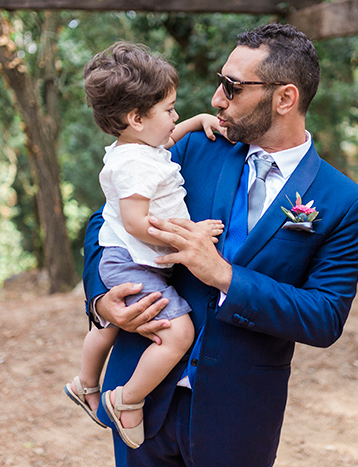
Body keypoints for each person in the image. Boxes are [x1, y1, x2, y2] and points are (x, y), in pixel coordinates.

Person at [81, 23, 358, 466]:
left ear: (285, 98)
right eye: (221, 82)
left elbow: (325, 316)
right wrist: (103, 302)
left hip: (238, 417)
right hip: (140, 399)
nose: (217, 99)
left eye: (232, 88)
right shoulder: (190, 146)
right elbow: (106, 221)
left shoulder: (342, 201)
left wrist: (224, 276)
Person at [64, 41, 226, 449]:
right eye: (170, 110)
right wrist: (187, 236)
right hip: (132, 262)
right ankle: (125, 399)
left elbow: (166, 140)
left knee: (109, 326)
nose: (176, 116)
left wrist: (195, 122)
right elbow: (136, 223)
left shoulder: (138, 148)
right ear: (136, 117)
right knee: (177, 334)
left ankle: (84, 381)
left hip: (125, 260)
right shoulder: (135, 163)